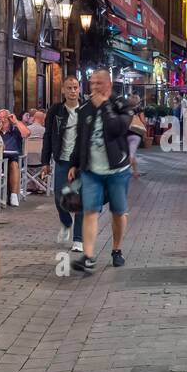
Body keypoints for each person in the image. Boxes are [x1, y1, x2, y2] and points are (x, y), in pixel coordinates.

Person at [69, 70, 134, 271]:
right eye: (92, 83)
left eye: (99, 83)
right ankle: (88, 257)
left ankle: (117, 250)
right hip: (91, 170)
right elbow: (80, 138)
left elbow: (118, 129)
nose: (95, 86)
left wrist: (104, 105)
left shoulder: (122, 105)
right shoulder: (85, 109)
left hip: (117, 169)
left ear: (109, 84)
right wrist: (74, 163)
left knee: (118, 212)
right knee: (90, 211)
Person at [45, 78, 85, 251]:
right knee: (59, 196)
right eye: (69, 88)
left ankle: (78, 239)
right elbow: (48, 135)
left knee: (81, 200)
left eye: (75, 87)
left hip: (82, 162)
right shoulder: (55, 111)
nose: (72, 91)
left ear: (79, 89)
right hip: (62, 159)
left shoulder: (86, 110)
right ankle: (66, 222)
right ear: (63, 90)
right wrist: (45, 161)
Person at [0, 109, 29, 207]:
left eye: (5, 118)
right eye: (0, 118)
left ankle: (13, 195)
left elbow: (26, 134)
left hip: (13, 158)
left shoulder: (15, 129)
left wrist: (16, 121)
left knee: (13, 164)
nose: (3, 120)